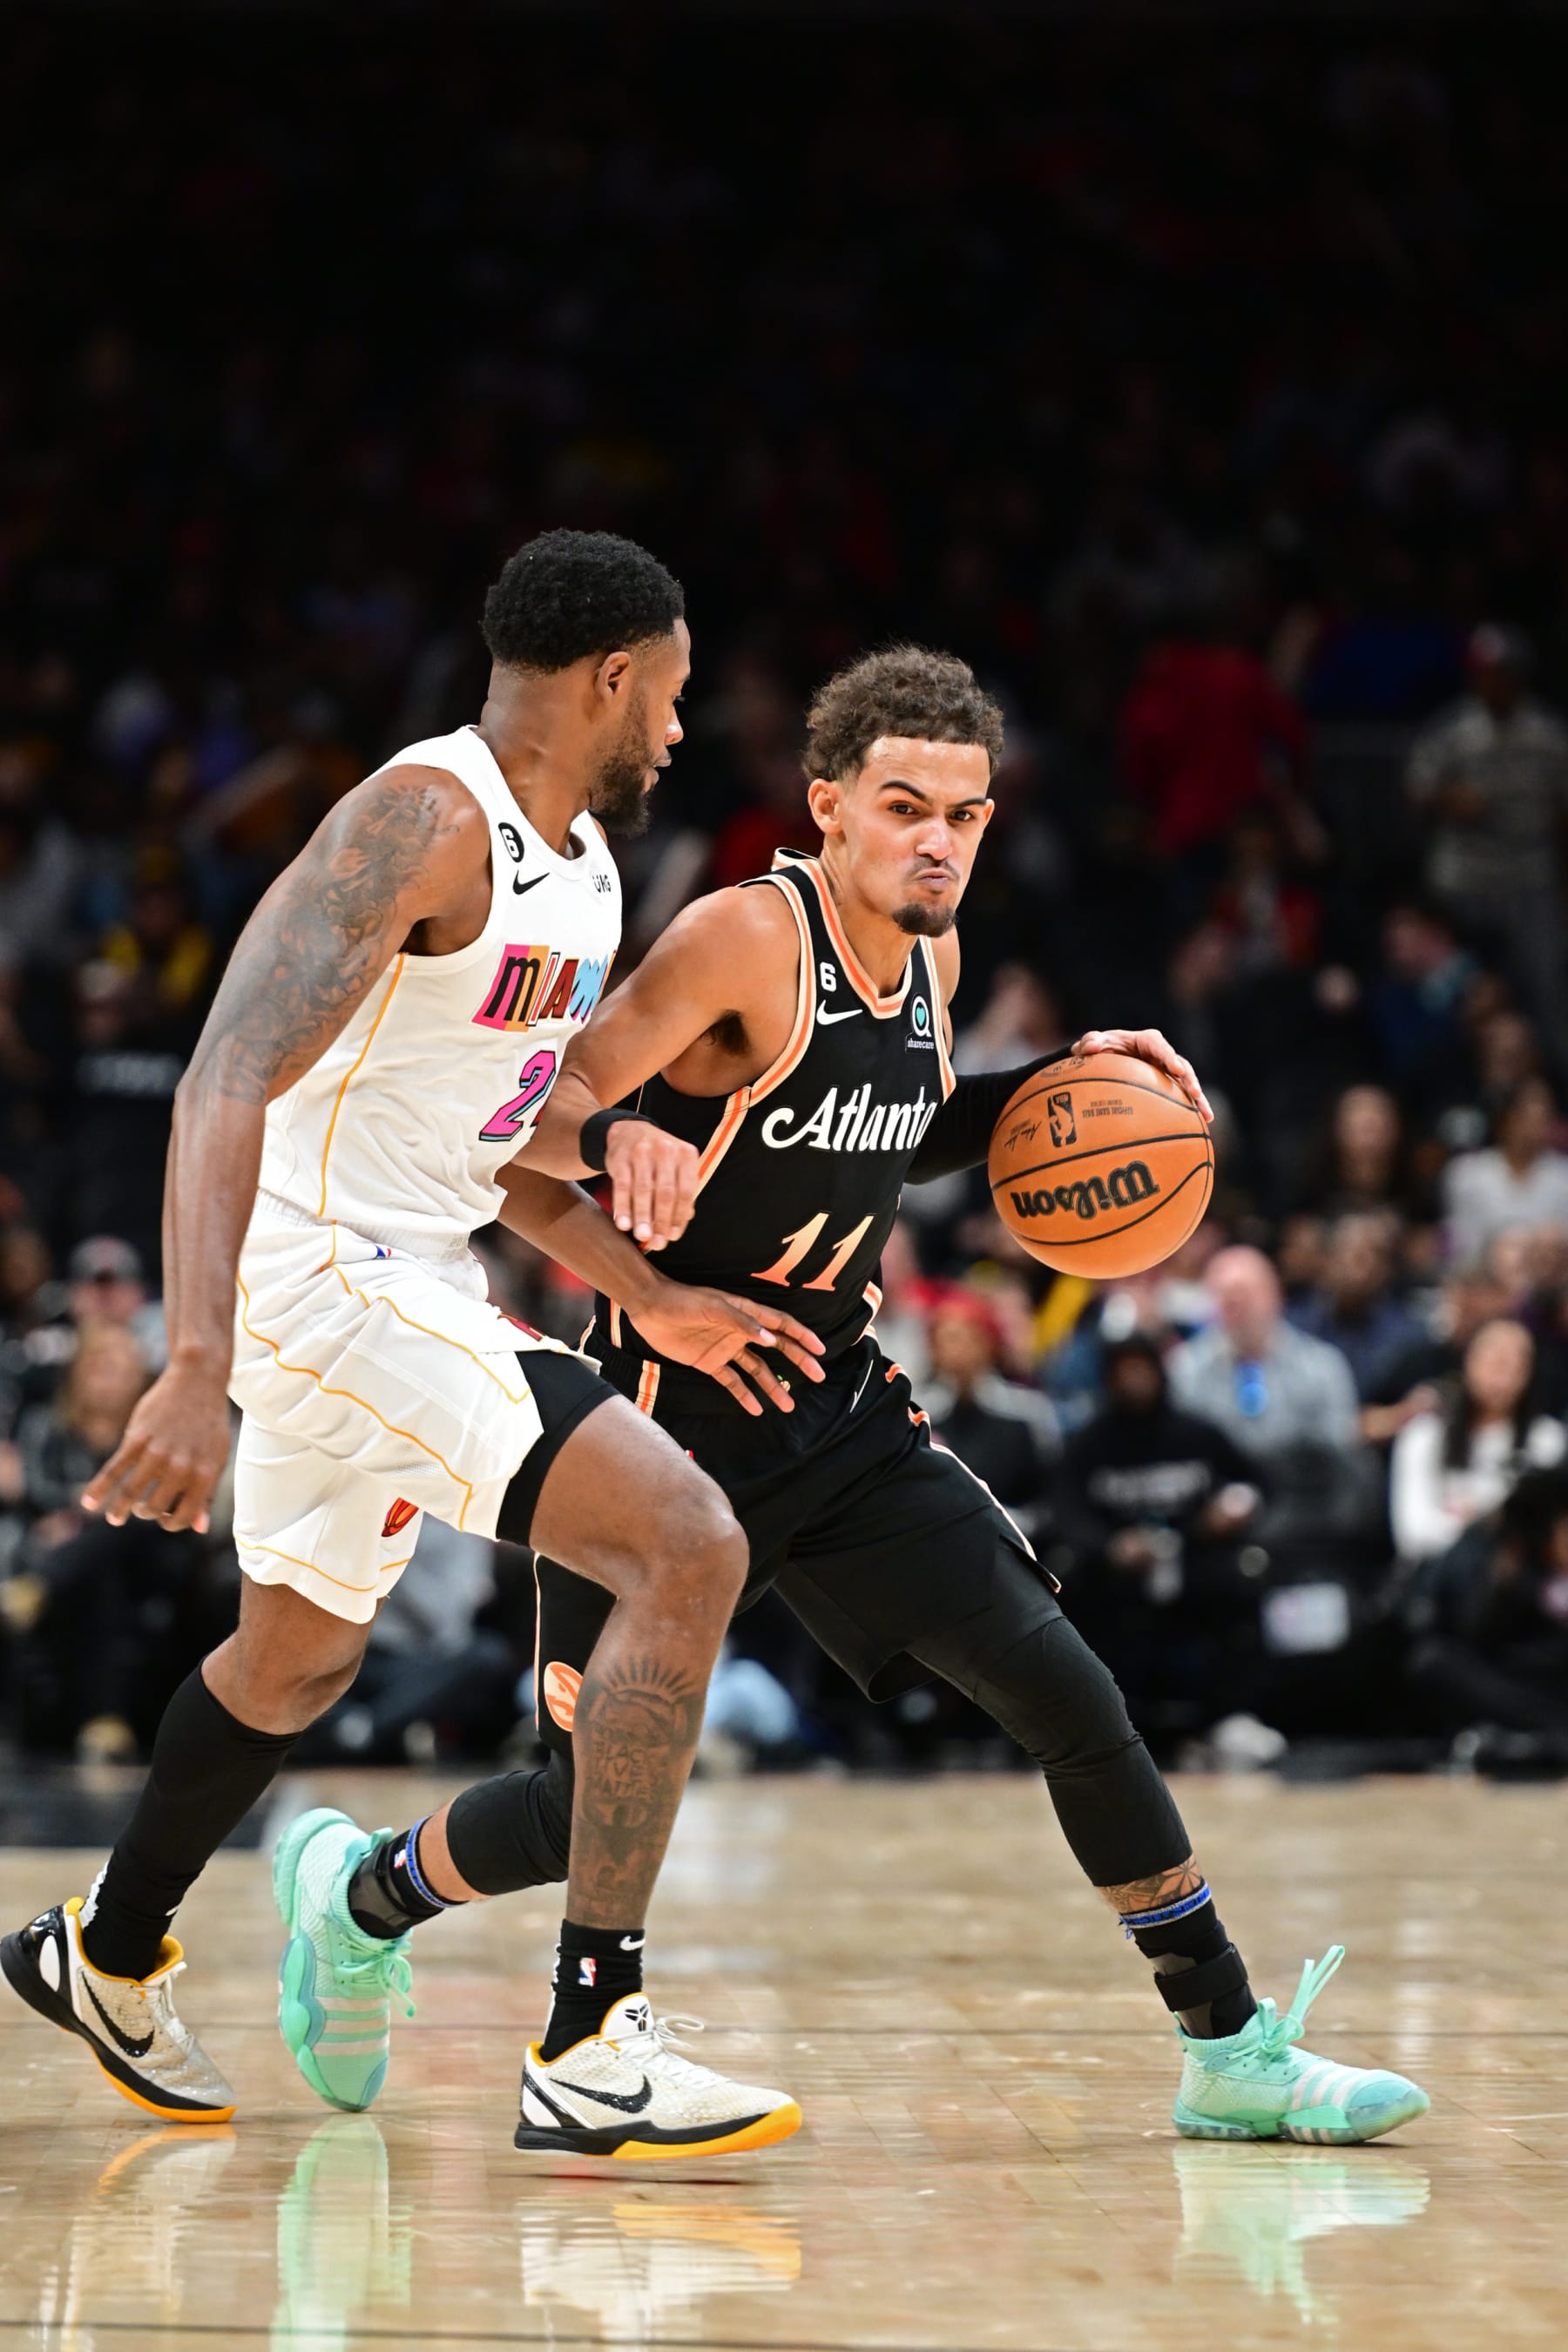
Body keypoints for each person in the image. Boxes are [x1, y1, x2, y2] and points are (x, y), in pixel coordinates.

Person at [327, 645, 1427, 2147]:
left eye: (964, 815)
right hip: (657, 1433)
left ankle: (1228, 2046)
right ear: (828, 805)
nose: (937, 842)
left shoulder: (932, 959)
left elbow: (895, 1128)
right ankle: (361, 1898)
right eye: (905, 807)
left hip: (838, 1419)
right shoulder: (741, 938)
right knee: (585, 1805)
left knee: (1072, 1697)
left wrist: (1061, 1088)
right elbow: (528, 1118)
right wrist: (641, 1236)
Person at [3, 530, 827, 2159]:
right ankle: (591, 2038)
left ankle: (105, 1946)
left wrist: (638, 1258)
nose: (679, 730)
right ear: (610, 677)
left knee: (297, 1660)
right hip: (321, 1271)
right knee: (689, 1542)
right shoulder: (425, 818)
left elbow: (494, 1145)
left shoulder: (585, 869)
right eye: (669, 696)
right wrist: (192, 1361)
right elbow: (221, 1075)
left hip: (412, 1263)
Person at [1055, 1334, 1261, 1740]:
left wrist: (1232, 1507)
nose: (1134, 1380)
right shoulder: (1089, 1442)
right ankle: (1091, 1720)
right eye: (1124, 1371)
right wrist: (1110, 1546)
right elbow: (1066, 1510)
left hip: (1196, 1557)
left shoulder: (1197, 1433)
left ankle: (1233, 1717)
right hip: (1115, 1569)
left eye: (1142, 1369)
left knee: (1244, 1577)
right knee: (1067, 1582)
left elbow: (1251, 1483)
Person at [1405, 625, 1568, 1068]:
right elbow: (1416, 789)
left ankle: (1551, 1079)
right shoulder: (1453, 729)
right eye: (1482, 674)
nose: (1489, 684)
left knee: (1545, 987)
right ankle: (1453, 1077)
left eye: (1499, 674)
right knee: (1454, 990)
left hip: (1530, 880)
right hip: (1464, 881)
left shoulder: (1548, 733)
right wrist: (1447, 799)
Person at [1167, 1247, 1361, 1468]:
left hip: (1304, 1481)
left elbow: (1342, 1446)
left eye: (1245, 1293)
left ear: (1276, 1295)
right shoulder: (1185, 1367)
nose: (1236, 1305)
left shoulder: (1323, 1366)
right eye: (1225, 1297)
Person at [1389, 1319, 1565, 1563]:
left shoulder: (1548, 1441)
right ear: (1468, 1360)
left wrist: (1465, 1517)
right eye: (1493, 1360)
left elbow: (1544, 1535)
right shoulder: (1424, 1435)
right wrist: (1485, 1523)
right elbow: (1414, 1536)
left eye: (1515, 1364)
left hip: (1514, 1574)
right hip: (1436, 1574)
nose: (1501, 1375)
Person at [1442, 1077, 1568, 1267]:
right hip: (1482, 1279)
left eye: (1545, 1114)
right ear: (1507, 1118)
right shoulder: (1466, 1175)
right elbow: (1460, 1249)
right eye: (1527, 1113)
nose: (1538, 1121)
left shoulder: (1563, 1177)